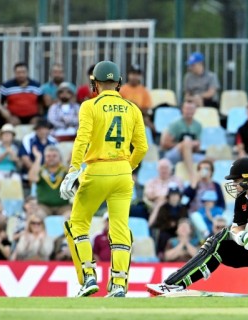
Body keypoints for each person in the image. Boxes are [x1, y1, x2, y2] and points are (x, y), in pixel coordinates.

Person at [147, 157, 248, 297]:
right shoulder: (242, 199)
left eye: (236, 180)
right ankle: (175, 283)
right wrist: (242, 236)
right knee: (221, 242)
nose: (233, 184)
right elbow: (236, 228)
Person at [59, 60, 148, 297]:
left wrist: (73, 169)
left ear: (94, 83)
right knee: (120, 229)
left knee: (77, 224)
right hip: (122, 173)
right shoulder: (132, 108)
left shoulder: (89, 106)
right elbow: (142, 147)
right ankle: (119, 284)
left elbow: (82, 139)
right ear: (119, 83)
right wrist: (127, 166)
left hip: (96, 170)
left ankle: (88, 276)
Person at [28, 145, 71, 216]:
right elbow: (32, 178)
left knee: (70, 218)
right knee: (37, 216)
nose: (51, 158)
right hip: (43, 206)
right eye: (48, 156)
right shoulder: (41, 170)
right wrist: (38, 158)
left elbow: (75, 178)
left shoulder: (64, 170)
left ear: (59, 158)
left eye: (54, 156)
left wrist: (70, 160)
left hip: (63, 206)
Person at [149, 183, 189, 259]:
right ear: (169, 197)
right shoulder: (163, 208)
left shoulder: (183, 208)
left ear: (179, 197)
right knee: (163, 236)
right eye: (172, 195)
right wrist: (170, 224)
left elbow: (185, 220)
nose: (174, 197)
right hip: (166, 231)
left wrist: (178, 226)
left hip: (180, 230)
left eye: (176, 195)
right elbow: (159, 222)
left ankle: (185, 253)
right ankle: (161, 253)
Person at [160, 98, 202, 165]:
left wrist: (193, 145)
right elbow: (165, 144)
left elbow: (197, 148)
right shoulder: (175, 124)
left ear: (195, 110)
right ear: (182, 109)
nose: (189, 111)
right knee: (186, 143)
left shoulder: (198, 125)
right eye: (187, 109)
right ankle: (192, 174)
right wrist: (182, 145)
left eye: (191, 109)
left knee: (208, 161)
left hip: (190, 155)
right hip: (173, 154)